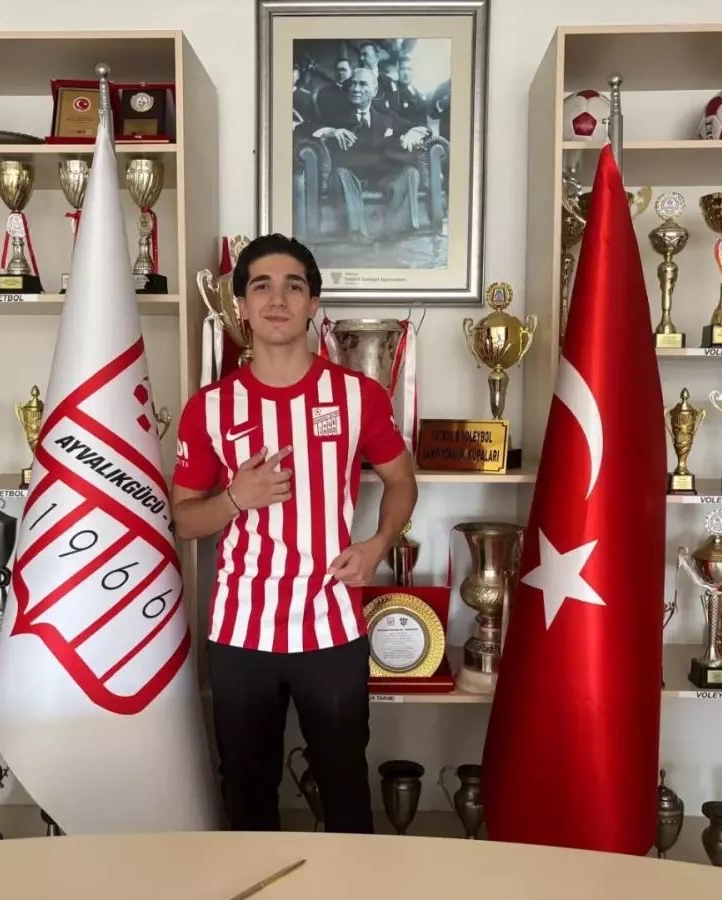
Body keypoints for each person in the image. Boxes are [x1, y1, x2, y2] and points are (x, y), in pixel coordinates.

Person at [171, 234, 418, 833]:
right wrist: (236, 497)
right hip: (241, 630)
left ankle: (349, 883)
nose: (277, 299)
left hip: (329, 623)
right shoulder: (209, 407)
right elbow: (183, 519)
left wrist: (377, 545)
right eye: (262, 286)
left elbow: (401, 480)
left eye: (293, 286)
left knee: (345, 788)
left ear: (313, 304)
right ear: (242, 306)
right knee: (248, 793)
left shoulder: (357, 396)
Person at [308, 68, 430, 241]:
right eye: (352, 84)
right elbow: (304, 128)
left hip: (382, 174)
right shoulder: (335, 114)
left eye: (362, 84)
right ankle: (357, 234)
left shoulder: (386, 116)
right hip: (351, 174)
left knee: (410, 172)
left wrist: (413, 134)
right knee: (341, 175)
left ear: (374, 91)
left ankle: (397, 231)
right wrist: (331, 131)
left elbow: (422, 128)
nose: (355, 89)